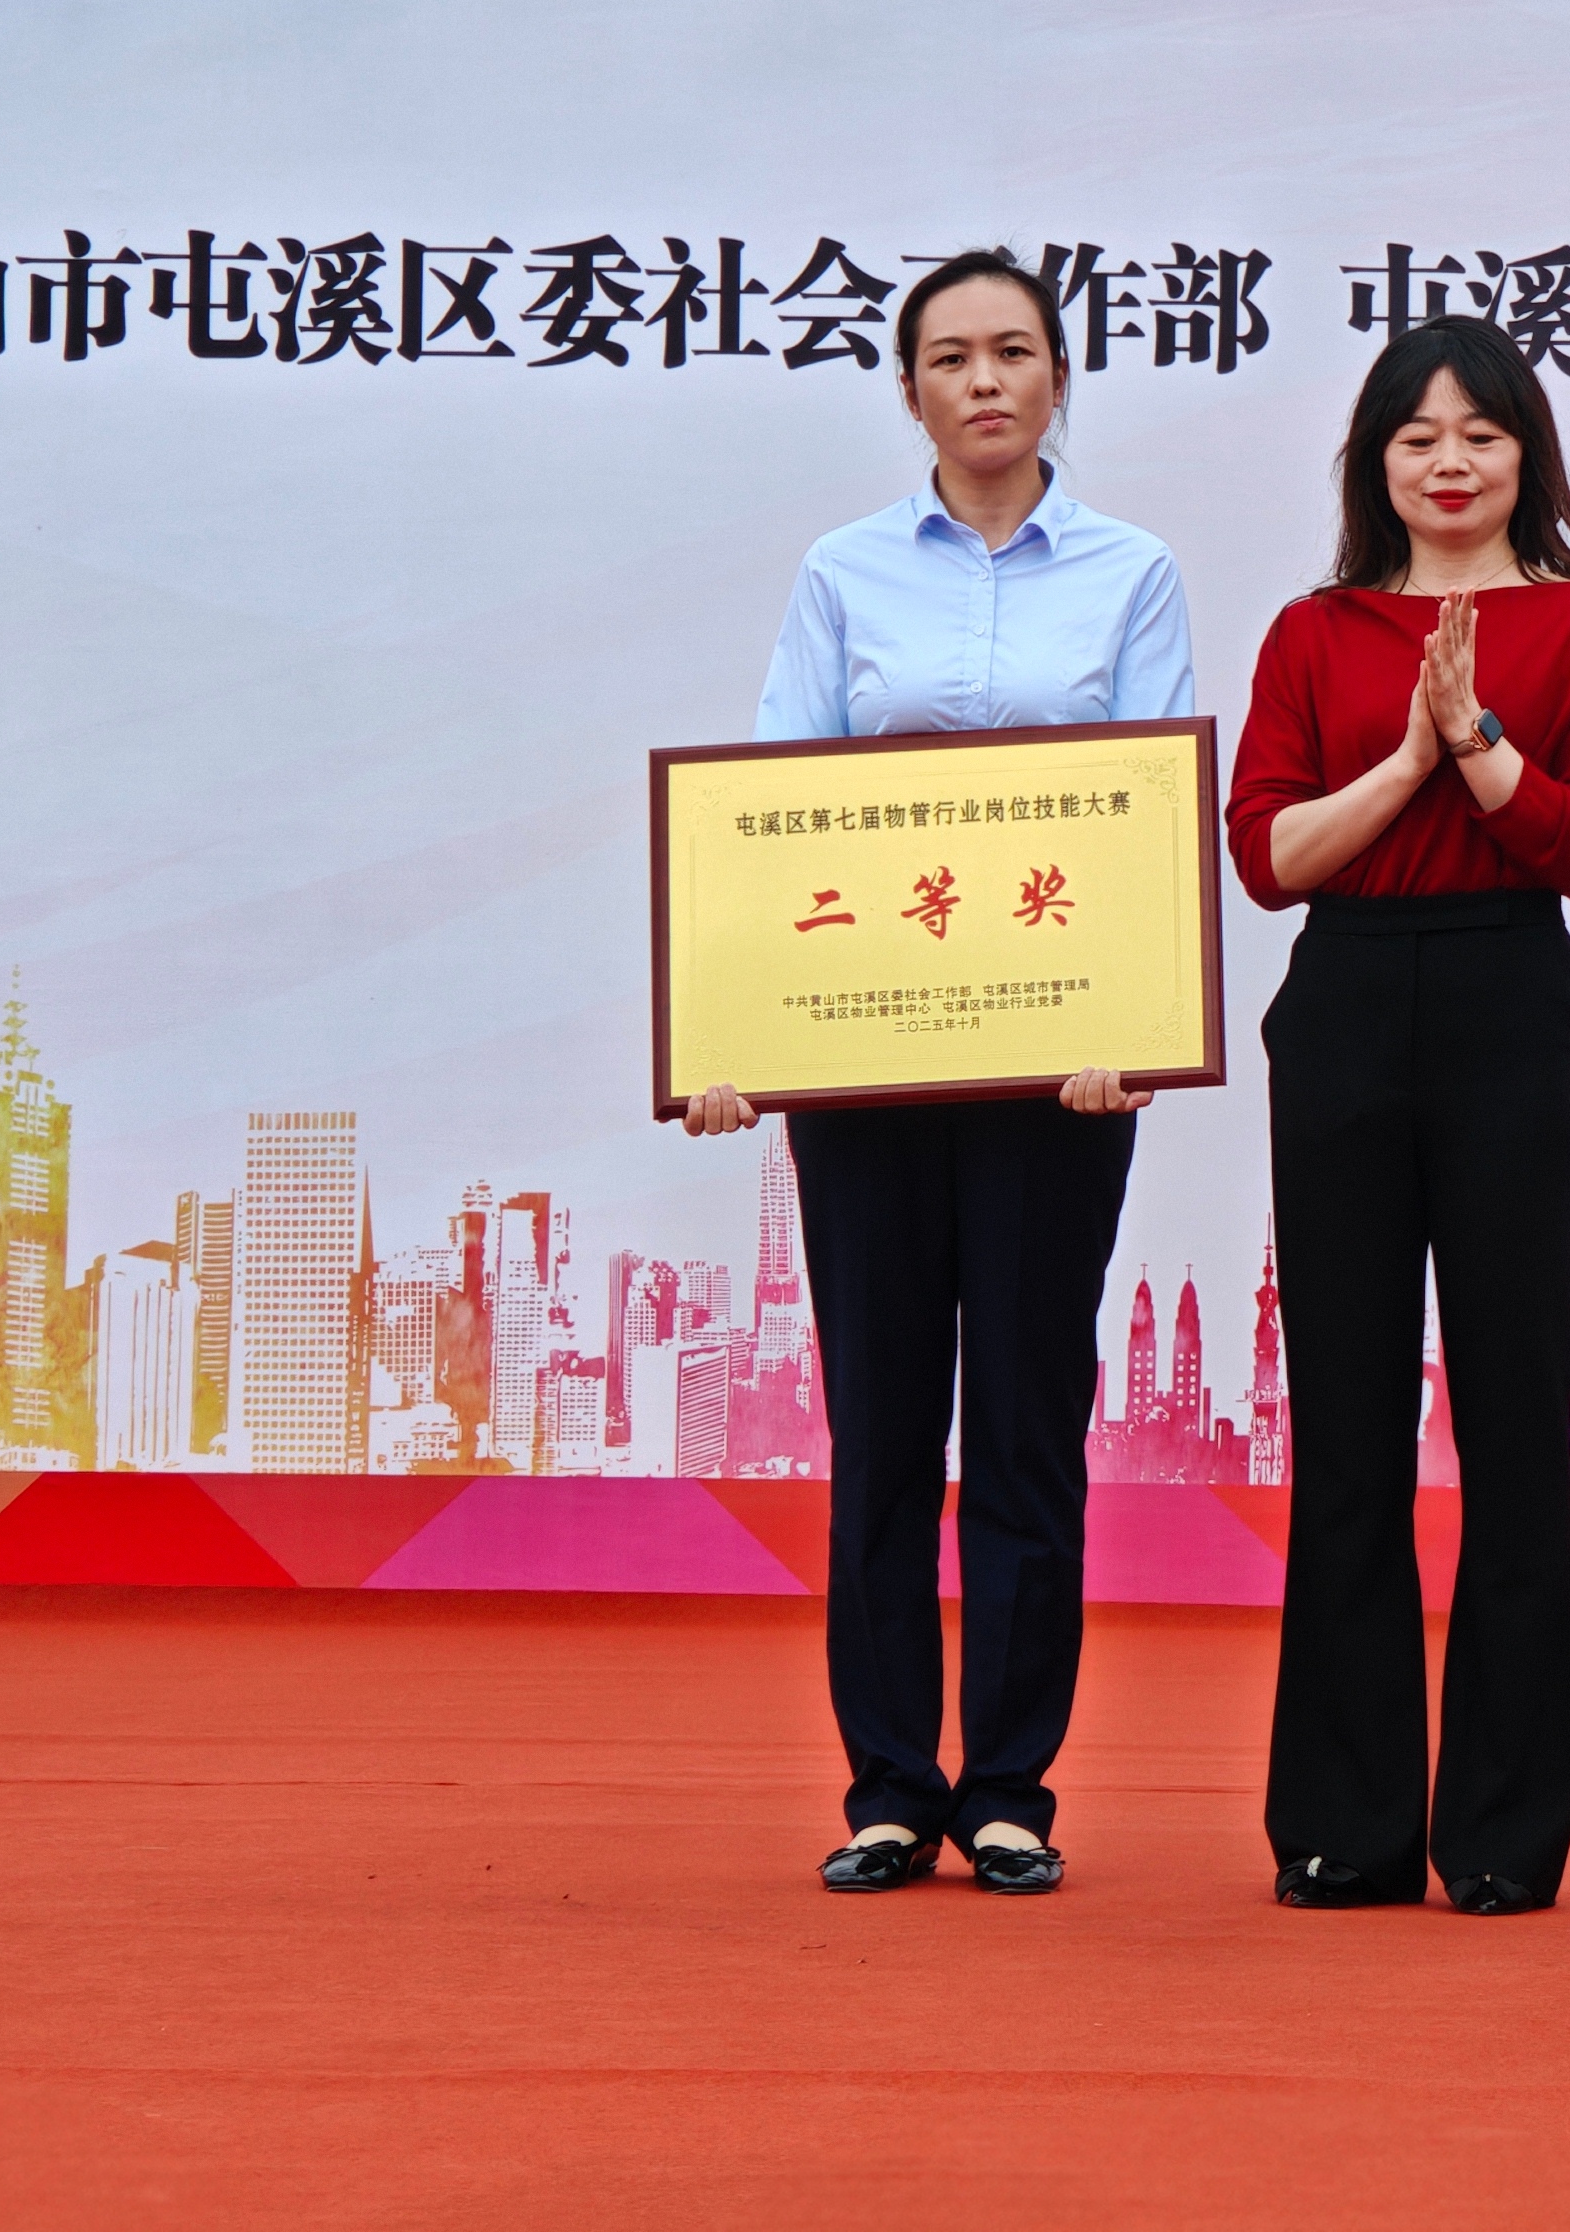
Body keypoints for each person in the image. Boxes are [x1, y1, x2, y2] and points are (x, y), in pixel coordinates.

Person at [682, 246, 1198, 1899]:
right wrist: (737, 1043)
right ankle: (891, 1788)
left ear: (1060, 378)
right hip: (872, 1070)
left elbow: (1150, 810)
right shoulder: (843, 573)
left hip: (1060, 1075)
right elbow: (775, 813)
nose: (985, 380)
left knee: (1032, 1435)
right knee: (886, 1431)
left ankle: (1013, 1789)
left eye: (1015, 351)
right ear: (908, 390)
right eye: (952, 356)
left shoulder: (1131, 572)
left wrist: (1138, 1022)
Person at [1225, 315, 1570, 1917]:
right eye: (1418, 436)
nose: (1451, 461)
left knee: (1517, 1416)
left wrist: (1472, 739)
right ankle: (1345, 1826)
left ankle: (1503, 1832)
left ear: (1528, 455)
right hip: (1343, 999)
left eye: (1482, 433)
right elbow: (1269, 859)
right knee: (1345, 1423)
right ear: (1375, 462)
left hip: (1507, 998)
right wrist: (1410, 759)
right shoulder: (1314, 631)